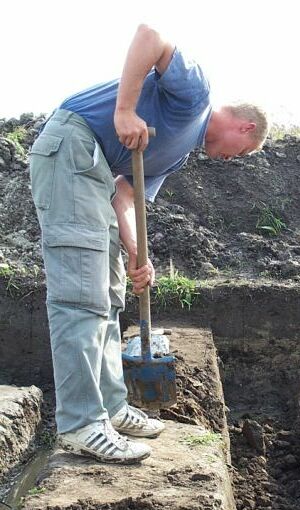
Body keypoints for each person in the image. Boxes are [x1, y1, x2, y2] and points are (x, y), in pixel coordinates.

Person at [30, 24, 269, 464]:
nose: (230, 161)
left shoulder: (174, 152)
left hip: (98, 177)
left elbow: (125, 196)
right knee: (80, 298)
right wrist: (125, 110)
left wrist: (139, 252)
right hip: (74, 149)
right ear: (244, 127)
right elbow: (150, 36)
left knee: (107, 296)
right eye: (240, 153)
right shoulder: (196, 97)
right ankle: (82, 423)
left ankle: (112, 406)